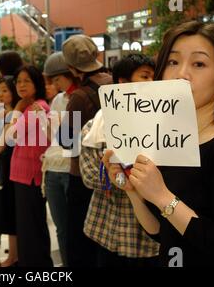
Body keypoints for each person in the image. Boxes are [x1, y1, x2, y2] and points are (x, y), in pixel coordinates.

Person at [103, 21, 214, 267]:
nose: (181, 73)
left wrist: (163, 196)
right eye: (173, 62)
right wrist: (133, 191)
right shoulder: (167, 140)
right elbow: (161, 232)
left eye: (199, 64)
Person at [80, 53, 159, 267]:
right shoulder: (96, 126)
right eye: (145, 76)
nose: (151, 82)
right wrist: (127, 183)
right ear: (123, 82)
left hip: (149, 238)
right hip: (108, 231)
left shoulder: (163, 128)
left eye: (154, 77)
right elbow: (89, 176)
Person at [61, 34, 113, 267]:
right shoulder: (117, 83)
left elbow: (66, 140)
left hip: (83, 177)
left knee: (81, 241)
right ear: (97, 56)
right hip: (117, 172)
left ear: (71, 68)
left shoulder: (79, 97)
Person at [3, 65, 53, 267]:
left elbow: (9, 136)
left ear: (37, 84)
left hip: (31, 175)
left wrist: (15, 110)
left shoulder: (36, 107)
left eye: (27, 81)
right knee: (28, 228)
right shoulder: (28, 107)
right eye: (18, 81)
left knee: (32, 228)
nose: (21, 85)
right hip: (23, 174)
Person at [40, 51, 80, 266]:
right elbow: (53, 138)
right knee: (62, 228)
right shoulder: (58, 99)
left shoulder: (82, 96)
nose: (55, 83)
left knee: (76, 227)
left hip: (73, 170)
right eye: (52, 80)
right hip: (54, 168)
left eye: (57, 79)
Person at [0, 77, 21, 266]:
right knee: (10, 210)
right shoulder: (5, 114)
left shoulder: (13, 115)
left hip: (14, 167)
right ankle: (14, 253)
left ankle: (13, 256)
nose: (0, 95)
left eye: (4, 90)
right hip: (9, 166)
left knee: (12, 212)